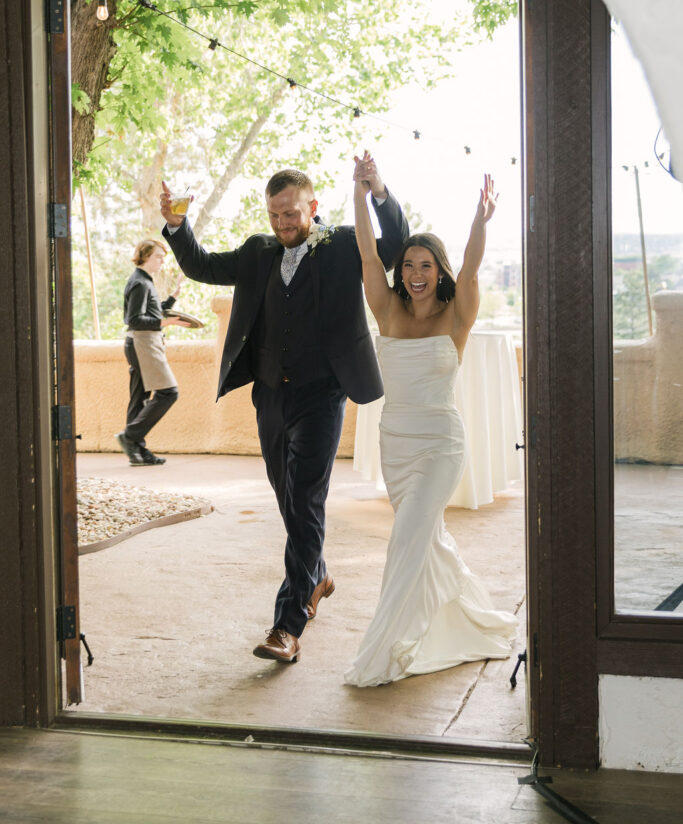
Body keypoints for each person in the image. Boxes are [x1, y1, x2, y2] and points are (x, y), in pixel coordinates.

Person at [159, 163, 408, 664]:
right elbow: (203, 267)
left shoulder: (341, 243)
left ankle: (288, 625)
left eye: (290, 213)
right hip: (271, 394)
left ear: (312, 208)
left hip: (323, 393)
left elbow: (396, 247)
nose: (282, 223)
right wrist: (176, 226)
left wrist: (378, 190)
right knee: (287, 495)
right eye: (274, 214)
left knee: (306, 501)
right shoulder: (257, 251)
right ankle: (316, 575)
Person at [345, 159, 517, 687]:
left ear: (438, 271)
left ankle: (381, 651)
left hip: (441, 443)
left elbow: (471, 267)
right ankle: (466, 618)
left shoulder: (456, 315)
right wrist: (359, 191)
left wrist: (480, 222)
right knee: (428, 541)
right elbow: (367, 252)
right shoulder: (387, 310)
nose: (417, 275)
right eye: (411, 266)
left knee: (408, 537)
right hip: (396, 443)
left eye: (426, 267)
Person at [116, 239, 182, 467]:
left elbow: (150, 311)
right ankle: (130, 436)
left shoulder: (143, 281)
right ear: (144, 256)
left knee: (139, 398)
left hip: (139, 343)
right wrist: (166, 323)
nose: (162, 261)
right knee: (169, 393)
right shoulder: (140, 283)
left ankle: (137, 450)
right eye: (158, 257)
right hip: (142, 344)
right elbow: (134, 319)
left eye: (163, 257)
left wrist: (173, 298)